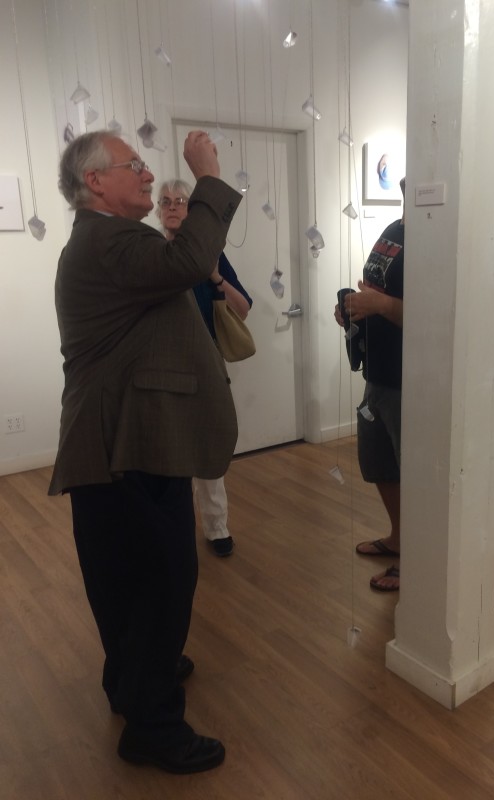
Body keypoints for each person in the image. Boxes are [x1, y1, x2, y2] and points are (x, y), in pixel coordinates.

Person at [49, 129, 242, 773]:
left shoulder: (103, 240)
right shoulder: (111, 240)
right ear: (95, 182)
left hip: (120, 439)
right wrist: (210, 176)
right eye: (133, 165)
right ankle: (153, 729)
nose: (147, 173)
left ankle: (133, 678)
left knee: (126, 577)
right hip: (121, 444)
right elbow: (187, 264)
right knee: (162, 580)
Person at [156, 178, 253, 557]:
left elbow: (242, 308)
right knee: (167, 455)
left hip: (206, 363)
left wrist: (214, 275)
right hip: (162, 367)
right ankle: (175, 530)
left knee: (209, 450)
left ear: (193, 209)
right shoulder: (149, 252)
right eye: (165, 201)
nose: (172, 206)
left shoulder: (209, 253)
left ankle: (216, 527)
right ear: (157, 210)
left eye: (180, 200)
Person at [335, 178, 405, 592]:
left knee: (411, 471)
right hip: (377, 374)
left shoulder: (439, 240)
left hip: (408, 379)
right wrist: (354, 310)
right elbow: (375, 289)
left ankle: (416, 556)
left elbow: (437, 315)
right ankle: (399, 538)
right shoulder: (394, 231)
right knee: (379, 464)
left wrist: (379, 305)